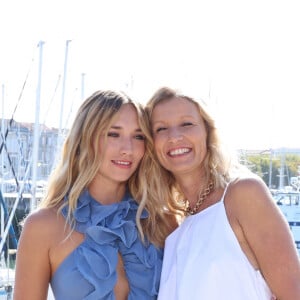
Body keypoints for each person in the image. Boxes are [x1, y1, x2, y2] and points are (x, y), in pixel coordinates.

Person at [13, 90, 176, 300]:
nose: (128, 149)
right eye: (113, 134)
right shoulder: (43, 226)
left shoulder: (163, 222)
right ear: (85, 139)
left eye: (138, 136)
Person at [145, 86, 300, 300]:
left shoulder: (243, 195)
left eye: (187, 124)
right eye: (161, 129)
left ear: (208, 132)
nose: (174, 136)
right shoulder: (175, 225)